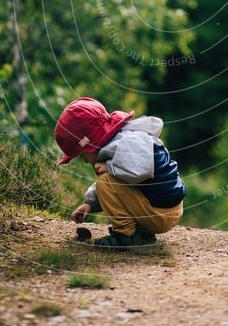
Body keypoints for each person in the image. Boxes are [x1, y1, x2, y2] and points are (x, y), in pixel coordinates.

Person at [55, 97, 186, 249]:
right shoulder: (123, 139)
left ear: (89, 143)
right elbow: (120, 185)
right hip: (162, 210)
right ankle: (141, 234)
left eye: (82, 155)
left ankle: (126, 236)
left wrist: (110, 167)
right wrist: (90, 203)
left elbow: (140, 170)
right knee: (107, 180)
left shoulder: (127, 143)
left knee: (105, 181)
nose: (84, 161)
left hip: (160, 214)